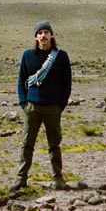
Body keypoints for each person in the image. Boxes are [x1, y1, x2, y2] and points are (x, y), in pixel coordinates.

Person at [12, 21, 72, 191]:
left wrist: (61, 105)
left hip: (53, 108)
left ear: (51, 35)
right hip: (32, 108)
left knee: (54, 144)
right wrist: (24, 103)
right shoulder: (27, 55)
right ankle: (21, 178)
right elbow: (21, 81)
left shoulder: (61, 56)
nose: (43, 36)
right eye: (40, 33)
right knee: (27, 144)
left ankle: (58, 179)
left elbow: (66, 84)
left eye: (46, 32)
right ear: (36, 37)